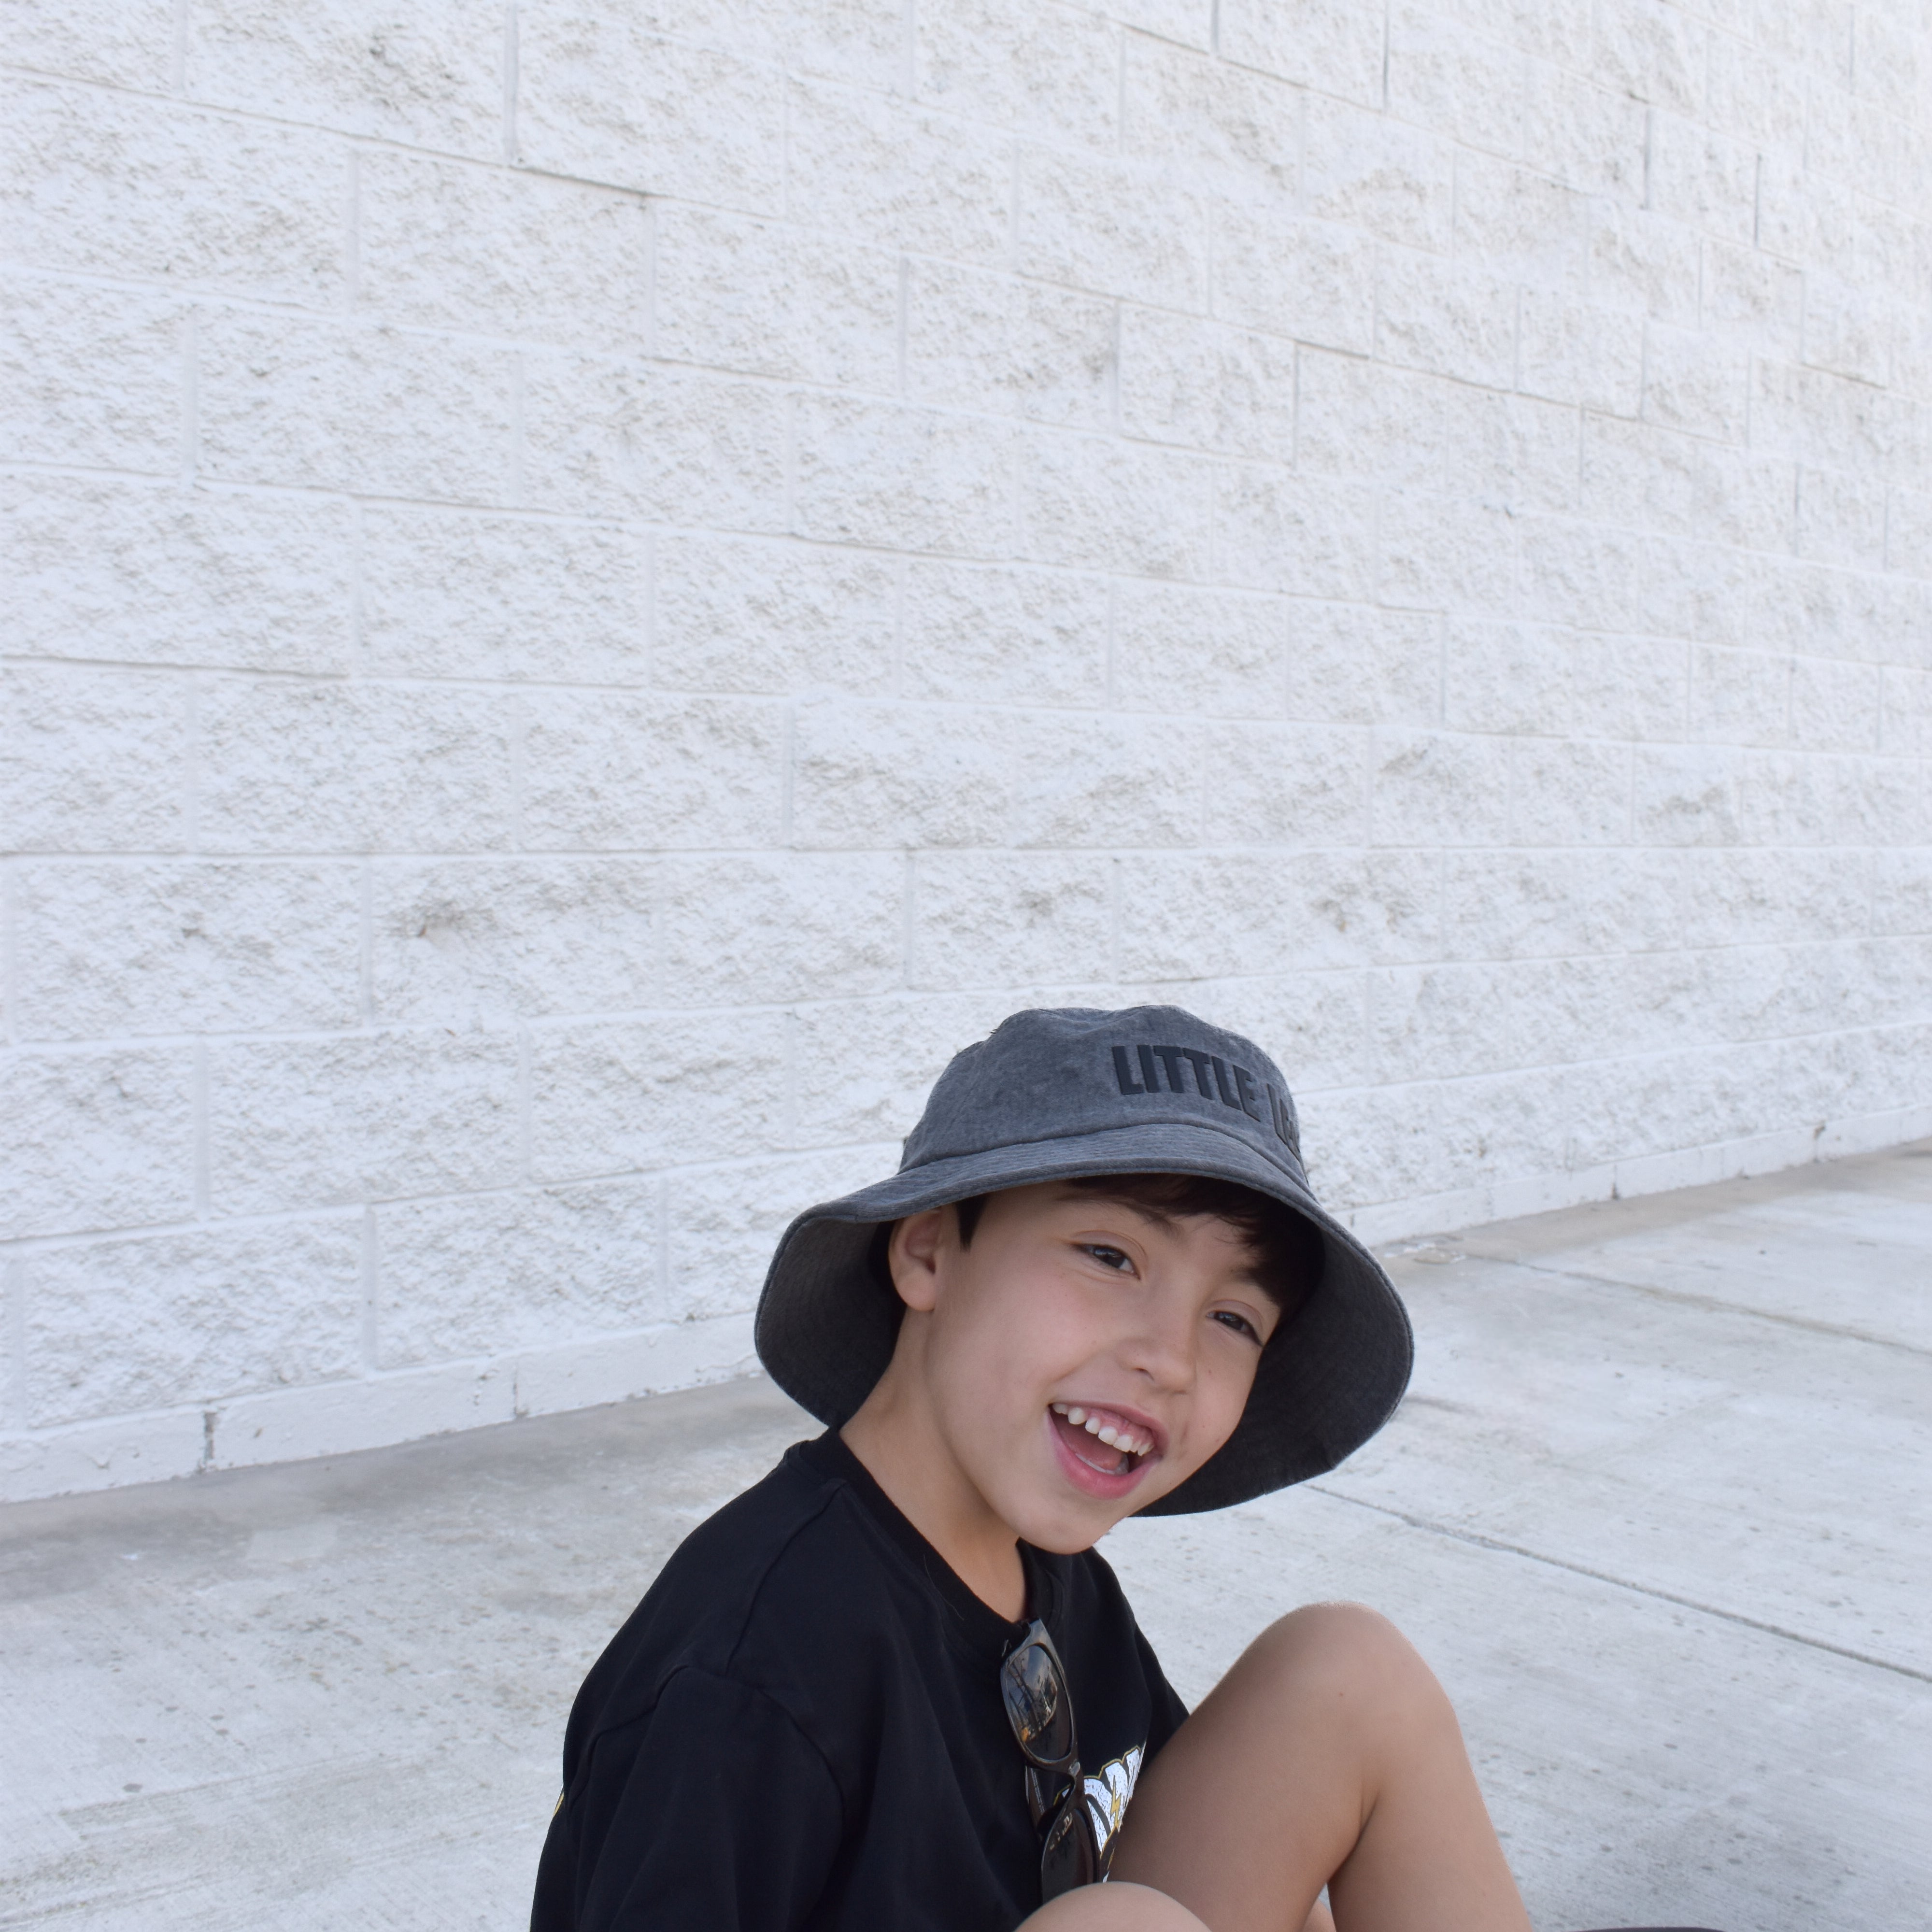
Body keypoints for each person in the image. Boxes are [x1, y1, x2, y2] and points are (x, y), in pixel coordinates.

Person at [529, 1006, 1693, 1932]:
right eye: (1107, 1253)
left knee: (1346, 1671)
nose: (1169, 1358)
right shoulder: (746, 1675)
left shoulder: (1046, 1575)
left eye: (1232, 1318)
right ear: (929, 1248)